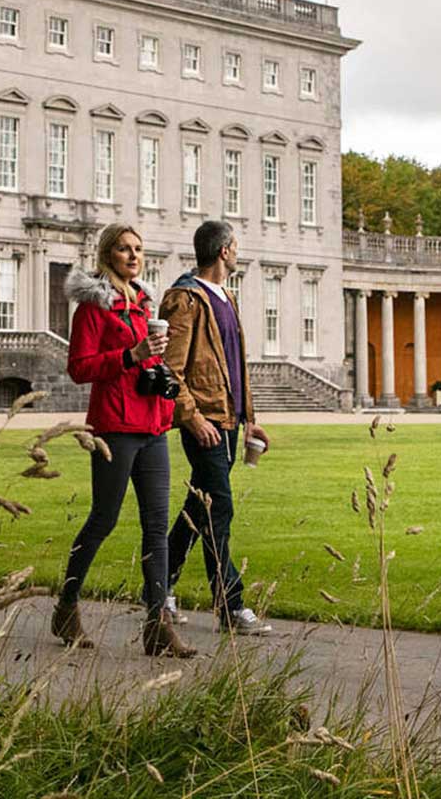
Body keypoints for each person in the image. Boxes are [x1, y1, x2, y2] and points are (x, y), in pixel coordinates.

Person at [55, 223, 197, 658]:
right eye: (123, 249)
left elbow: (149, 361)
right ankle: (67, 605)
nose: (133, 256)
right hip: (115, 426)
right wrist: (129, 356)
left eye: (137, 249)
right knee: (104, 519)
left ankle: (158, 624)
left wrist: (157, 352)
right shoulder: (93, 309)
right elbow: (79, 367)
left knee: (156, 526)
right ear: (107, 255)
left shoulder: (144, 304)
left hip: (153, 424)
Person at [158, 220, 273, 636]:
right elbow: (170, 370)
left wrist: (250, 420)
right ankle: (231, 605)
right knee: (219, 507)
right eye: (236, 246)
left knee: (200, 505)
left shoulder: (226, 297)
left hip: (228, 420)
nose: (237, 253)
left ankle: (160, 588)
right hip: (203, 421)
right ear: (224, 250)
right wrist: (191, 417)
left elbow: (233, 365)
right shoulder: (185, 299)